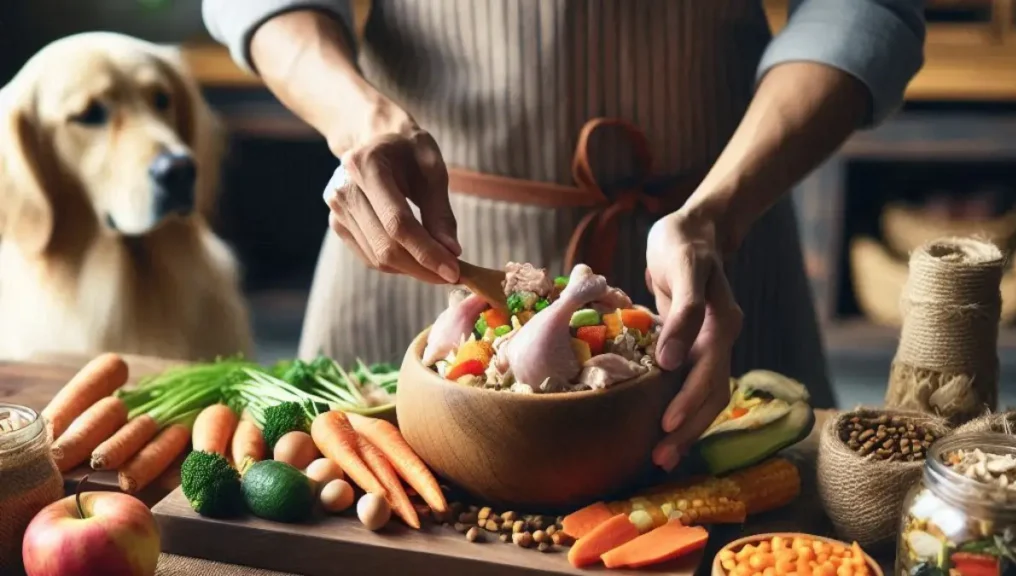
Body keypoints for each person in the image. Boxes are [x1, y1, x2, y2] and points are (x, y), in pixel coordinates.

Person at [203, 0, 925, 471]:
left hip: (710, 246)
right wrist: (354, 119)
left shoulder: (715, 226)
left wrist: (718, 214)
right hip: (417, 235)